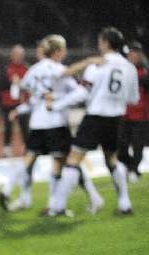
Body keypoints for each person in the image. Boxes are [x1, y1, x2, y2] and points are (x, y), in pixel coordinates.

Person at [48, 27, 140, 216]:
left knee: (73, 159)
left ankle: (58, 206)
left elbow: (82, 93)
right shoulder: (130, 67)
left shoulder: (97, 65)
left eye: (100, 40)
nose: (98, 44)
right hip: (116, 119)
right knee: (112, 159)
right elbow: (133, 99)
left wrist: (56, 105)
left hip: (95, 117)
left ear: (105, 42)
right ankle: (125, 204)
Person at [0, 36, 89, 212]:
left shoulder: (33, 70)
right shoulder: (59, 69)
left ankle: (8, 189)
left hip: (37, 122)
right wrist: (60, 102)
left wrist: (21, 100)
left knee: (29, 158)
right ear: (57, 51)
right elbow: (77, 91)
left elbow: (26, 89)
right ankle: (56, 204)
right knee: (65, 162)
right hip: (56, 122)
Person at [118, 42, 149, 183]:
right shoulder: (121, 71)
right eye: (130, 54)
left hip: (141, 116)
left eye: (135, 53)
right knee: (121, 147)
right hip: (124, 115)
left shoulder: (146, 71)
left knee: (138, 146)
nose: (132, 56)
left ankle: (133, 170)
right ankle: (132, 167)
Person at [0, 45, 29, 157]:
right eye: (15, 54)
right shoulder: (6, 69)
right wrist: (10, 81)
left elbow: (29, 85)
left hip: (22, 103)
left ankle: (27, 147)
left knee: (24, 126)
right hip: (8, 103)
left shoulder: (26, 69)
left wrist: (21, 84)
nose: (18, 57)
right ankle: (6, 148)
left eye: (20, 55)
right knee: (8, 127)